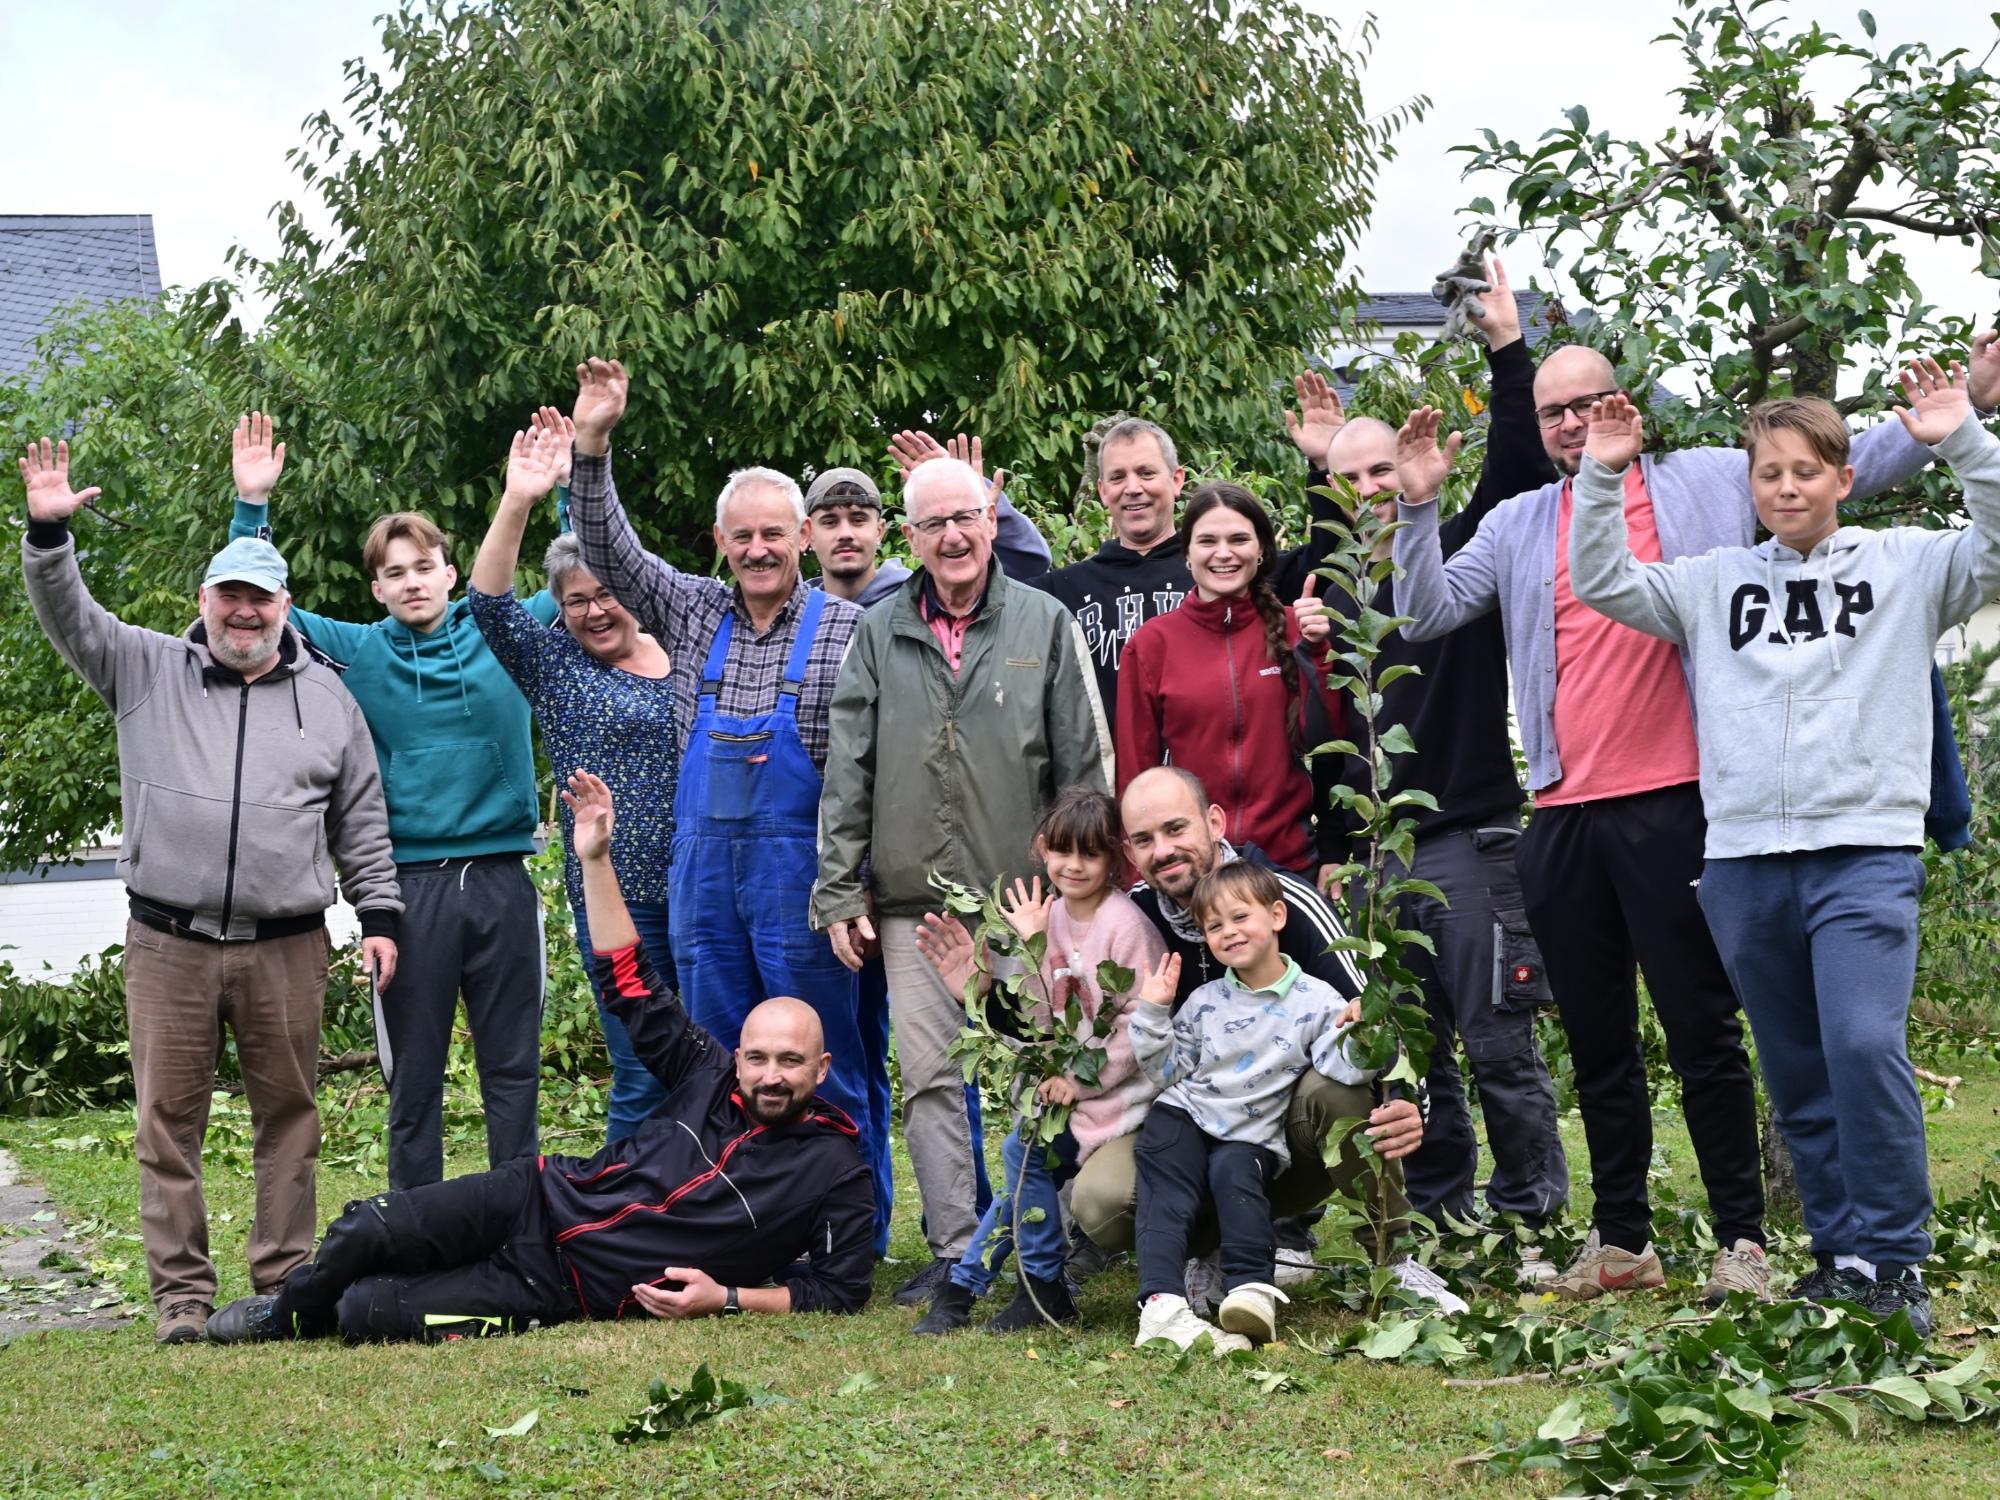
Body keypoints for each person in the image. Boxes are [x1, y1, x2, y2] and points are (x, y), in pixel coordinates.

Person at [1390, 330, 2000, 1303]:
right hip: (1589, 810)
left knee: (1722, 1033)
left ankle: (1758, 1241)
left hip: (1691, 803)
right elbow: (1431, 610)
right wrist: (1415, 507)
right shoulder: (1528, 526)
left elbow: (1841, 459)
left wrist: (1957, 419)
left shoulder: (1717, 485)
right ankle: (1641, 1239)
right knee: (1616, 1040)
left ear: (1618, 403)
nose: (1566, 422)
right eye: (1549, 409)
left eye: (1583, 403)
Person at [1568, 361, 2000, 1339]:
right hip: (1745, 863)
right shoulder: (1709, 584)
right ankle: (1839, 1256)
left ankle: (1893, 1262)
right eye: (1768, 473)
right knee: (1797, 1067)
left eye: (1805, 470)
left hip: (1861, 853)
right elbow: (1598, 580)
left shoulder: (1905, 564)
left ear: (1841, 479)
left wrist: (1960, 436)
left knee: (1860, 1044)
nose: (1786, 488)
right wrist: (1602, 474)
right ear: (1750, 487)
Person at [205, 770, 874, 1344]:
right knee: (362, 1228)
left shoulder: (835, 1167)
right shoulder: (706, 1072)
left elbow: (839, 1288)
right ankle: (280, 1318)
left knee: (365, 1312)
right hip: (533, 1196)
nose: (771, 1076)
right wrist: (595, 859)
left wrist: (723, 1299)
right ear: (738, 1056)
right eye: (758, 1057)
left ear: (821, 1068)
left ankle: (345, 1305)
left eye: (791, 1061)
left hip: (556, 1286)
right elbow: (630, 981)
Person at [19, 438, 402, 1344]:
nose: (243, 612)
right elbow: (65, 611)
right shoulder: (143, 670)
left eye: (258, 597)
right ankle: (183, 1303)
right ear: (205, 603)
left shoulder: (332, 701)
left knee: (290, 1120)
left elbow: (361, 821)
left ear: (284, 607)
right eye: (228, 595)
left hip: (288, 943)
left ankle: (281, 1288)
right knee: (167, 1125)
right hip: (168, 943)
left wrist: (379, 914)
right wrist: (47, 531)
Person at [562, 357, 893, 1255]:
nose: (758, 550)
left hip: (806, 886)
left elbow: (876, 776)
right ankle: (734, 1225)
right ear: (720, 540)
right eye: (742, 536)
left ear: (804, 540)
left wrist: (853, 889)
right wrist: (592, 439)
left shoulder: (853, 630)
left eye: (774, 535)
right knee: (717, 1070)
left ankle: (851, 1235)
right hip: (704, 885)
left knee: (833, 1065)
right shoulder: (690, 611)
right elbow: (603, 547)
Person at [914, 765, 1458, 1310]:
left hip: (1282, 1119)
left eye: (1177, 829)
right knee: (1100, 1200)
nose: (1164, 850)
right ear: (1130, 853)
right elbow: (1066, 1020)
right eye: (1146, 840)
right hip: (1190, 1125)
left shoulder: (1281, 902)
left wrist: (1407, 1099)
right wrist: (979, 996)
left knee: (1340, 1091)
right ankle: (1209, 1249)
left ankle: (1392, 1258)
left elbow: (1373, 1019)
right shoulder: (1136, 917)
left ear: (1214, 821)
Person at [1311, 260, 1568, 1271]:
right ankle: (1440, 1211)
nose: (1371, 490)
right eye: (1351, 479)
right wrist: (1338, 849)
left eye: (1385, 473)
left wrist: (1507, 350)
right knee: (1414, 1048)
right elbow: (1325, 738)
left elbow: (1516, 469)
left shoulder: (1459, 551)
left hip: (1464, 836)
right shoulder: (1326, 602)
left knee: (1496, 1035)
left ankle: (1532, 1211)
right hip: (1378, 858)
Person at [815, 454, 1111, 1307]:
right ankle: (954, 1249)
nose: (952, 536)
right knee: (934, 1081)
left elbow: (1083, 767)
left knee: (1041, 1073)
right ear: (910, 539)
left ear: (992, 520)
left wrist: (1079, 892)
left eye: (966, 518)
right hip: (912, 905)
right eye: (933, 523)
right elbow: (849, 770)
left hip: (1024, 902)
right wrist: (840, 888)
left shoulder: (1044, 623)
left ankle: (1048, 1243)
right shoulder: (878, 631)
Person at [228, 413, 550, 1191]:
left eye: (424, 565)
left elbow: (587, 578)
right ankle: (416, 1236)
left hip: (504, 880)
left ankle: (519, 1235)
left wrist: (567, 492)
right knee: (413, 1084)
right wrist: (250, 506)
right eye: (394, 572)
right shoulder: (360, 651)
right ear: (377, 587)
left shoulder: (508, 629)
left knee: (513, 1074)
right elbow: (257, 607)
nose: (411, 581)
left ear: (450, 572)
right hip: (408, 891)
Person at [467, 415, 678, 1142]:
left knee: (713, 1062)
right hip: (620, 900)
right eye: (574, 601)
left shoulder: (689, 645)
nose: (593, 610)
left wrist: (574, 489)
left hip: (708, 894)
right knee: (643, 1066)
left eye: (604, 593)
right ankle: (621, 1229)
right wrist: (520, 498)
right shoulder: (557, 670)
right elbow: (488, 605)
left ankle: (710, 1216)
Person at [910, 788, 1168, 1336]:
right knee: (1023, 1167)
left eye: (1090, 854)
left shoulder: (1126, 928)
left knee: (1022, 1156)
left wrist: (1078, 1079)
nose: (1074, 866)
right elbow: (1042, 1021)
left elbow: (1137, 1029)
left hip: (1120, 1099)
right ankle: (979, 1288)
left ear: (1113, 861)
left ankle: (1020, 1285)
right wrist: (1021, 954)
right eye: (1062, 851)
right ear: (1042, 849)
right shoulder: (1041, 920)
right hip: (1067, 1098)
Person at [1129, 862, 1379, 1352]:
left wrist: (1365, 1030)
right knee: (1167, 1193)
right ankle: (1161, 1306)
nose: (1228, 932)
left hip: (1251, 1134)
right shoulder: (1204, 1000)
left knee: (1236, 1178)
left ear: (1278, 916)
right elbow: (1166, 1070)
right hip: (1185, 1114)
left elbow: (1343, 1067)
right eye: (1214, 926)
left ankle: (1250, 1293)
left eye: (1239, 917)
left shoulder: (1317, 1000)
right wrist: (1154, 1012)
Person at [1115, 482, 1332, 876]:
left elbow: (1331, 739)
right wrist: (1137, 880)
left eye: (1238, 539)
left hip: (1288, 864)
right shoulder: (1151, 645)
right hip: (1195, 869)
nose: (1223, 553)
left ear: (1261, 549)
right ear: (1187, 554)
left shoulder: (1294, 628)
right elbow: (1134, 776)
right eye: (1207, 541)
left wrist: (1318, 652)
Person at [1029, 418, 1190, 727]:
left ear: (1176, 479)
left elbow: (1312, 573)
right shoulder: (1063, 589)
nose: (1132, 488)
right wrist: (972, 511)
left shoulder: (1221, 572)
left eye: (1146, 473)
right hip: (1105, 773)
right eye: (1118, 477)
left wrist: (1316, 464)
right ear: (1103, 491)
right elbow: (982, 599)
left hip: (1202, 772)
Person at [807, 431, 1051, 608]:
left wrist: (968, 495)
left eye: (859, 519)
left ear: (880, 530)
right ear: (807, 535)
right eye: (829, 522)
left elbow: (1028, 563)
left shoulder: (927, 595)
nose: (845, 533)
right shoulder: (794, 617)